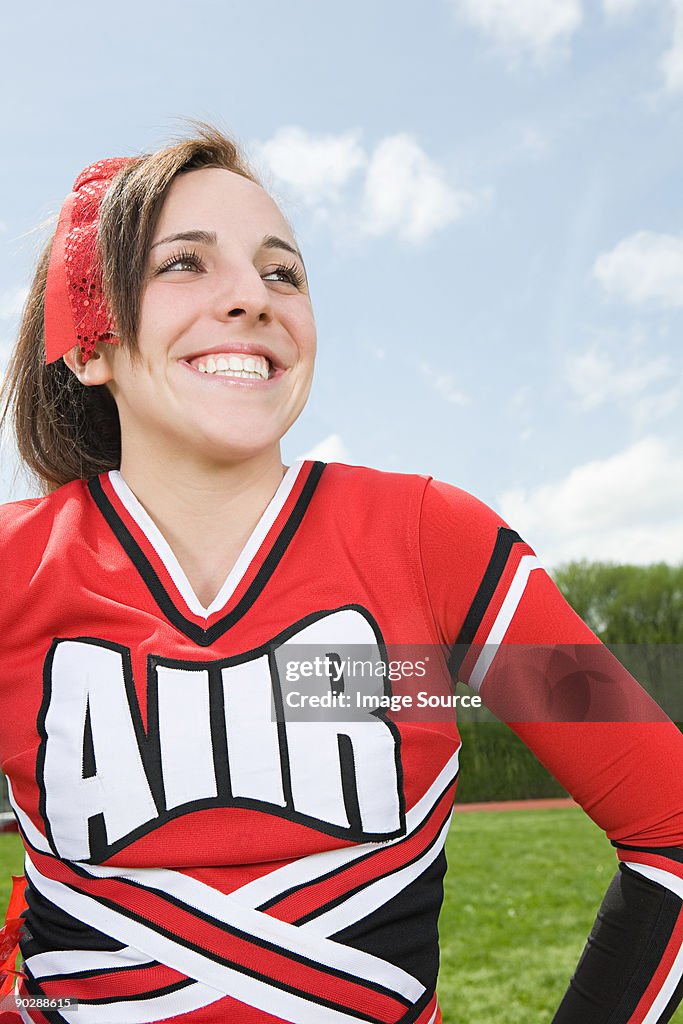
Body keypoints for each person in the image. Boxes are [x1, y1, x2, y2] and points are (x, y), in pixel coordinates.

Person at [0, 124, 682, 1024]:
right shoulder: (14, 568)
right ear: (90, 344)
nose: (252, 297)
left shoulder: (435, 538)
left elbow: (669, 827)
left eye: (282, 272)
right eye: (184, 265)